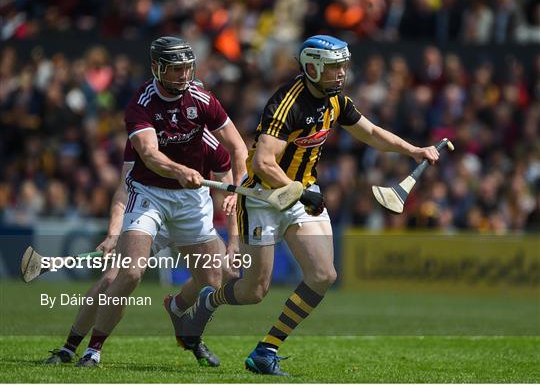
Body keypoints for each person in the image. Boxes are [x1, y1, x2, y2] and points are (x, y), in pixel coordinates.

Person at [174, 35, 440, 376]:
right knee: (254, 290)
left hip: (300, 194)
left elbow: (371, 132)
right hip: (264, 198)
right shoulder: (288, 104)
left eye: (343, 66)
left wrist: (413, 150)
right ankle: (208, 303)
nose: (341, 74)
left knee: (323, 274)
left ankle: (265, 351)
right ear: (312, 68)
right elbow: (264, 164)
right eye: (333, 68)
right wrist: (297, 191)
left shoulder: (336, 101)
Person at [75, 36, 248, 367]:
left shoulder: (206, 114)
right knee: (127, 274)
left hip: (190, 203)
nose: (184, 76)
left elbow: (239, 151)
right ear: (157, 68)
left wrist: (238, 191)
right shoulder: (140, 106)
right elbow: (149, 158)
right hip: (150, 196)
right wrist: (115, 230)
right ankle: (87, 348)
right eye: (176, 69)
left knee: (214, 278)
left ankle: (177, 307)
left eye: (187, 69)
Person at [45, 136, 239, 367]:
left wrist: (234, 241)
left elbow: (230, 196)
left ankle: (177, 309)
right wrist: (114, 233)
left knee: (225, 272)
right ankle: (71, 348)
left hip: (190, 215)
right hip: (150, 212)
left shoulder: (208, 142)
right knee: (113, 278)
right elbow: (124, 190)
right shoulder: (144, 135)